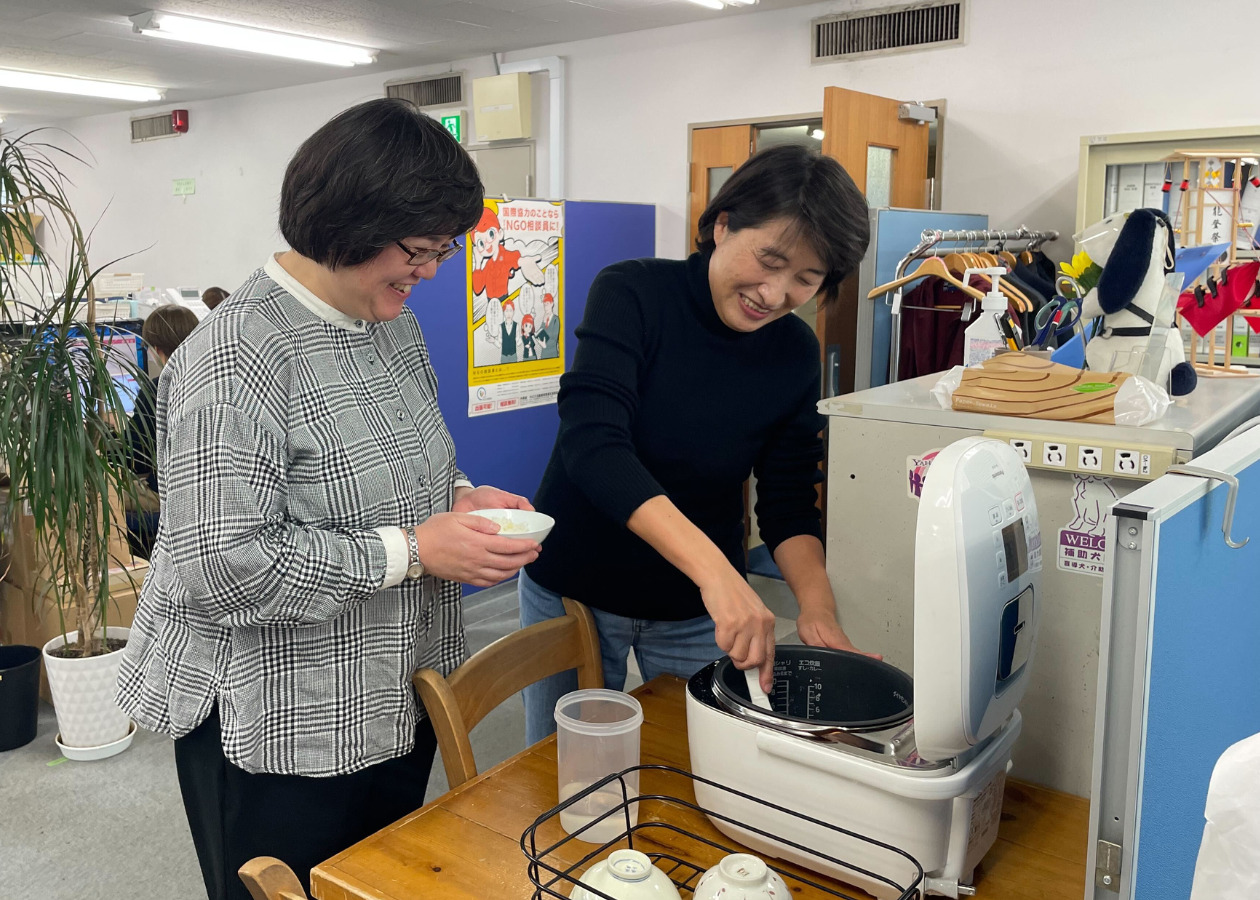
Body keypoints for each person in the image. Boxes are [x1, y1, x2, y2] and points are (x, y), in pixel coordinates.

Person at [115, 98, 540, 900]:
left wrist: (461, 498)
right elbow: (223, 565)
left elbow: (413, 458)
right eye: (419, 249)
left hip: (392, 686)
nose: (433, 271)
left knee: (376, 880)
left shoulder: (392, 324)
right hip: (278, 718)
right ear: (346, 225)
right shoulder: (235, 355)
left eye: (444, 249)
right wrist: (415, 551)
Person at [519, 144, 873, 743]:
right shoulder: (633, 293)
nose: (774, 292)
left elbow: (787, 500)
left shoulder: (791, 353)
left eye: (804, 280)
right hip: (577, 584)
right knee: (562, 773)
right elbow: (595, 446)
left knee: (700, 763)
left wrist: (817, 609)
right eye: (769, 259)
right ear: (722, 224)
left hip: (694, 611)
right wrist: (718, 574)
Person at [122, 303, 200, 558]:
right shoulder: (214, 379)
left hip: (172, 499)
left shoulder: (157, 389)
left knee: (97, 492)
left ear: (156, 351)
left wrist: (104, 439)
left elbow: (134, 457)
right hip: (212, 498)